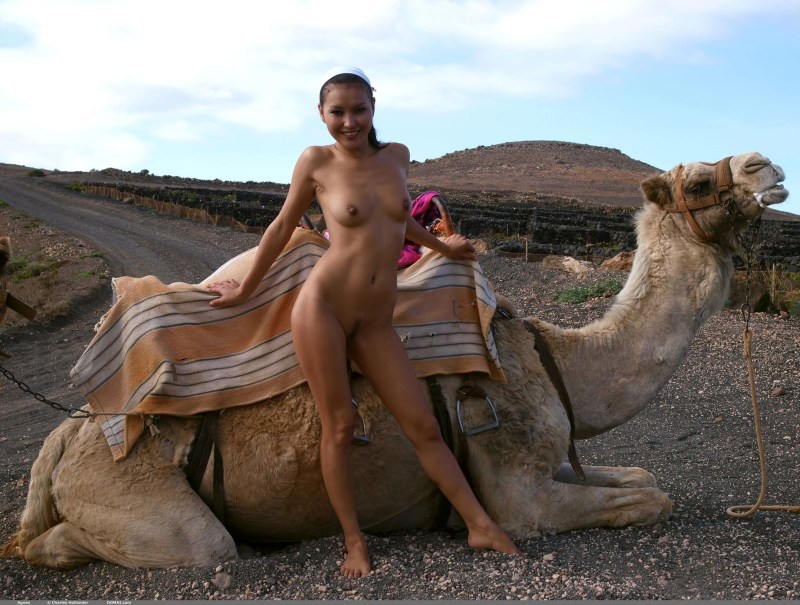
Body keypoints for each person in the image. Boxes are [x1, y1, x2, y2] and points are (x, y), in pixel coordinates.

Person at [206, 67, 520, 577]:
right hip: (323, 309)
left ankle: (479, 525)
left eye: (358, 110)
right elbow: (283, 226)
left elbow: (399, 218)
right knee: (340, 426)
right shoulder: (316, 161)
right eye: (337, 112)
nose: (348, 122)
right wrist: (245, 288)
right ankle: (354, 541)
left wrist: (443, 246)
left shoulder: (397, 156)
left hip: (376, 322)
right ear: (321, 114)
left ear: (374, 107)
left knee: (423, 425)